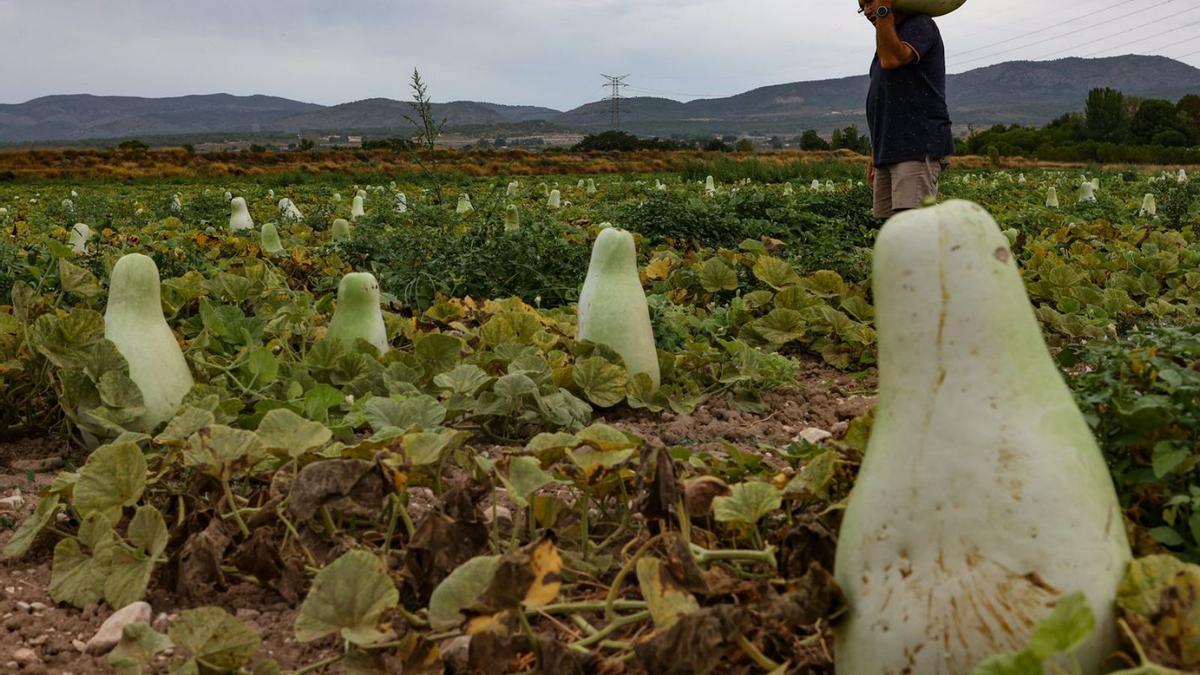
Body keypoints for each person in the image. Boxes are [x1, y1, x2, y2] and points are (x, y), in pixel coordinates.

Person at [859, 0, 954, 219]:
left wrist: (883, 10)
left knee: (913, 228)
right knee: (890, 227)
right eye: (861, 6)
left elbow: (892, 58)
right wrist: (876, 153)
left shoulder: (920, 25)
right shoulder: (887, 40)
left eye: (870, 2)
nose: (866, 10)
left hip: (916, 148)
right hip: (890, 150)